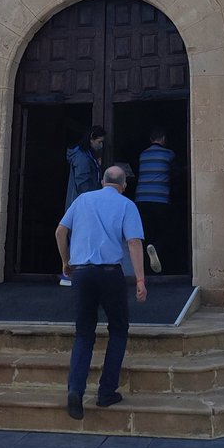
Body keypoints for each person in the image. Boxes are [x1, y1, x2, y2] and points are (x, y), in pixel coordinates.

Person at [55, 165, 146, 419]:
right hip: (109, 273)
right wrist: (140, 279)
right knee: (118, 329)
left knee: (84, 332)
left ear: (103, 181)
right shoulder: (127, 205)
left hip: (81, 273)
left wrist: (66, 261)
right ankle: (106, 392)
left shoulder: (83, 199)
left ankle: (75, 390)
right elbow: (134, 242)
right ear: (123, 184)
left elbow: (60, 231)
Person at [60, 125, 105, 284]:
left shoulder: (87, 155)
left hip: (83, 201)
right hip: (81, 202)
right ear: (91, 138)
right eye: (99, 142)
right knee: (77, 237)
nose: (101, 145)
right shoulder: (82, 156)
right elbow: (83, 181)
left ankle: (73, 274)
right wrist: (90, 202)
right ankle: (69, 274)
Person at [134, 126, 176, 275]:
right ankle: (158, 258)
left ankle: (145, 264)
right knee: (162, 232)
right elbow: (174, 171)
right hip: (160, 199)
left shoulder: (143, 155)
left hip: (141, 199)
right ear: (164, 139)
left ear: (151, 140)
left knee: (145, 232)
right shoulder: (168, 154)